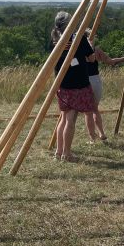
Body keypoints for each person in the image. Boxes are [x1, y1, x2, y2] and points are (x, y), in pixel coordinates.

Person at [51, 12, 96, 161]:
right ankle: (67, 153)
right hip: (77, 83)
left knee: (63, 118)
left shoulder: (55, 38)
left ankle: (59, 151)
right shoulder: (78, 39)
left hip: (62, 82)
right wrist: (89, 46)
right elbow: (91, 58)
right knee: (70, 119)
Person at [84, 29, 124, 142]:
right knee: (94, 109)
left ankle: (93, 138)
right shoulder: (96, 51)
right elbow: (111, 61)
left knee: (88, 111)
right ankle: (101, 133)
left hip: (85, 81)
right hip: (96, 81)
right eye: (92, 37)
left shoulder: (80, 51)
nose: (94, 39)